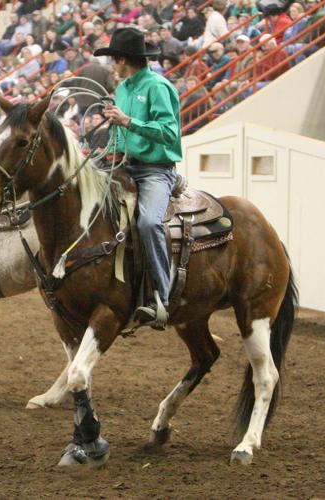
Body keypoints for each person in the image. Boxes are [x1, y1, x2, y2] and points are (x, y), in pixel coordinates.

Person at [97, 28, 182, 328]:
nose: (112, 65)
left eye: (113, 59)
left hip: (155, 170)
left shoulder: (158, 87)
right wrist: (108, 148)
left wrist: (128, 121)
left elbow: (169, 132)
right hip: (124, 166)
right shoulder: (122, 89)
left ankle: (162, 296)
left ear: (123, 60)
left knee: (148, 222)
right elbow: (121, 134)